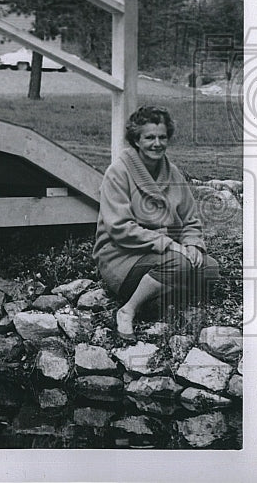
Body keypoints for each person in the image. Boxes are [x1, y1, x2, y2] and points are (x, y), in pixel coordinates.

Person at [93, 105, 220, 339]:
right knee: (179, 265)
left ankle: (156, 295)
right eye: (149, 137)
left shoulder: (173, 173)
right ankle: (128, 309)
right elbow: (120, 228)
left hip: (165, 256)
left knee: (210, 269)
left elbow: (190, 219)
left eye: (162, 137)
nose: (157, 143)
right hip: (122, 255)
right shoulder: (118, 172)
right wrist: (170, 244)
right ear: (136, 140)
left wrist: (192, 245)